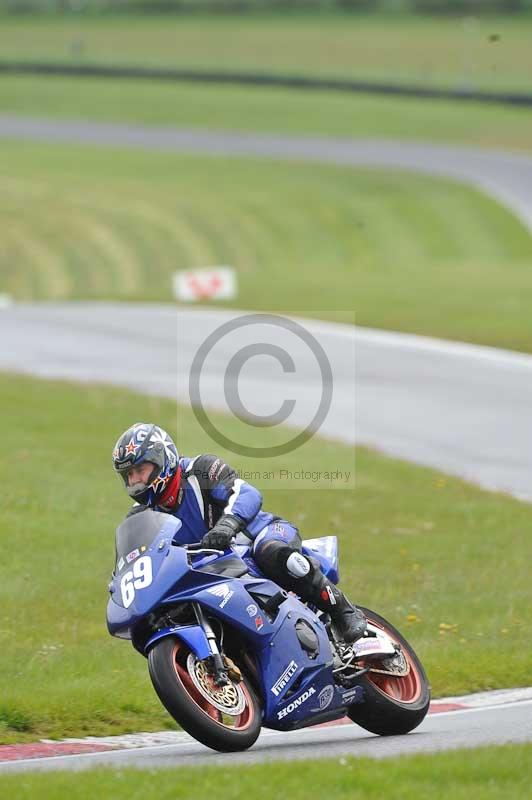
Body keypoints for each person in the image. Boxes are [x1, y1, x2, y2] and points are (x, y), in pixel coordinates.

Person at [112, 422, 366, 643]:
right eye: (129, 475)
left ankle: (343, 611)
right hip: (218, 571)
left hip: (260, 535)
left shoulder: (200, 470)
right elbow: (133, 563)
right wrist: (118, 586)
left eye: (140, 471)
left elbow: (246, 493)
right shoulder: (140, 516)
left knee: (271, 552)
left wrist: (227, 525)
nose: (135, 482)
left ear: (161, 460)